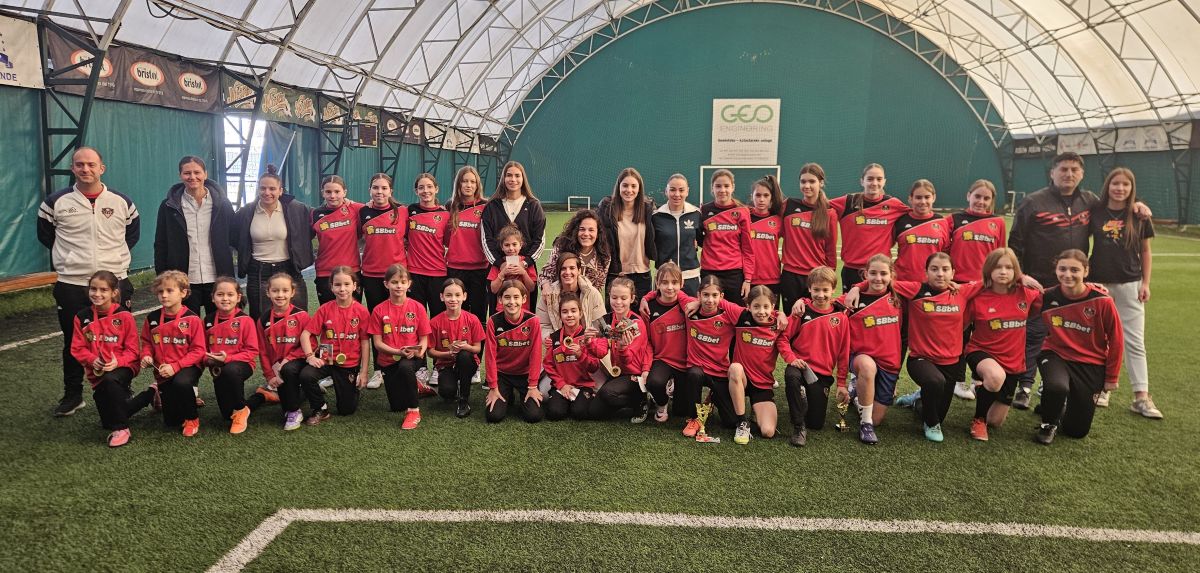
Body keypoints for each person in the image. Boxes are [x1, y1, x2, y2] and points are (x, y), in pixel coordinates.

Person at [1008, 152, 1149, 409]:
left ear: (1082, 174)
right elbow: (1015, 241)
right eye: (1063, 169)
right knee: (1034, 335)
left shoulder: (1090, 201)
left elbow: (1116, 205)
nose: (1069, 174)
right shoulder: (1033, 202)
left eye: (1074, 169)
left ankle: (1051, 385)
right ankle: (1024, 386)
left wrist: (1138, 204)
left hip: (1074, 285)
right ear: (1052, 172)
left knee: (1068, 337)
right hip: (1039, 283)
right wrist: (1020, 275)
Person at [38, 146, 139, 417]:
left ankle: (121, 388)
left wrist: (112, 261)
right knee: (73, 340)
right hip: (72, 283)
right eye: (80, 164)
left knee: (120, 340)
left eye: (91, 164)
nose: (86, 169)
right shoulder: (55, 202)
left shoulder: (122, 201)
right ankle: (73, 395)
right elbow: (46, 236)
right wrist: (72, 259)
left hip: (114, 282)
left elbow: (131, 235)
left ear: (101, 168)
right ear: (73, 168)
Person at [1088, 168, 1159, 418]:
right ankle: (1102, 388)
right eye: (1115, 184)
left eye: (1125, 185)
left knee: (1134, 341)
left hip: (1130, 284)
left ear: (1132, 188)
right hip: (1098, 284)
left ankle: (1141, 397)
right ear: (1107, 186)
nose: (1120, 188)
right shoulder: (1095, 211)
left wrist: (1145, 283)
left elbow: (1146, 251)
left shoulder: (1139, 215)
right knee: (1099, 340)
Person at [1035, 249, 1124, 444]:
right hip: (1055, 354)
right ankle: (1048, 423)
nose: (1068, 274)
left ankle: (1056, 406)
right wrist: (1022, 278)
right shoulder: (1046, 296)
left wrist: (1112, 377)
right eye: (1062, 269)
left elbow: (1116, 339)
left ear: (1086, 271)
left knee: (1076, 431)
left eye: (1074, 270)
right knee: (1057, 386)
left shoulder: (1102, 300)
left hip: (1091, 362)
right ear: (1056, 270)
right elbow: (1015, 297)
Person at [964, 248, 1041, 442]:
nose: (1003, 272)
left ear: (1016, 271)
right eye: (998, 267)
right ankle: (978, 420)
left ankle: (982, 390)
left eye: (1009, 267)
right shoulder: (978, 296)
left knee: (996, 421)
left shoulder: (1026, 294)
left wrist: (1026, 279)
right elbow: (960, 324)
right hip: (981, 352)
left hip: (1013, 362)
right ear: (989, 269)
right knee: (995, 377)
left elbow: (1053, 296)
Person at [69, 271, 153, 447]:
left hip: (125, 366)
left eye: (103, 290)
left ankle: (122, 430)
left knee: (110, 381)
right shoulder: (81, 317)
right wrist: (92, 359)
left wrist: (117, 362)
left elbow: (133, 351)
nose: (97, 294)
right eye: (93, 289)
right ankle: (151, 394)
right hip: (98, 372)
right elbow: (77, 348)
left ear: (114, 292)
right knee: (111, 418)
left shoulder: (124, 316)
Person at [946, 179, 1006, 400]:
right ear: (968, 196)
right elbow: (943, 252)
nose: (981, 201)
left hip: (985, 288)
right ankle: (958, 381)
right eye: (977, 196)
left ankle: (978, 378)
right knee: (959, 334)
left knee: (984, 334)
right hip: (959, 287)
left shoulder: (997, 223)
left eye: (986, 198)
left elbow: (1000, 256)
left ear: (992, 201)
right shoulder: (953, 220)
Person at [154, 155, 235, 317]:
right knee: (187, 325)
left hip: (217, 278)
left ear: (205, 174)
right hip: (184, 280)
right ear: (180, 175)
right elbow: (161, 243)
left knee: (219, 325)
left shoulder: (223, 204)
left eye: (197, 172)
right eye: (187, 173)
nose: (192, 177)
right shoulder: (168, 206)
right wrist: (163, 276)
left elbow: (234, 236)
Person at [780, 266, 850, 447]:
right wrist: (791, 359)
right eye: (816, 290)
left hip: (822, 374)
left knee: (816, 424)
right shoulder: (801, 312)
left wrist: (842, 383)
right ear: (809, 289)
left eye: (825, 290)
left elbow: (844, 352)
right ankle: (798, 426)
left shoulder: (841, 316)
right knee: (792, 376)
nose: (820, 295)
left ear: (833, 290)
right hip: (800, 366)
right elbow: (783, 338)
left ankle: (804, 398)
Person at [232, 164, 312, 320]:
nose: (267, 192)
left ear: (280, 191)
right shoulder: (246, 212)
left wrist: (346, 202)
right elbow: (235, 237)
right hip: (258, 271)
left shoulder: (297, 209)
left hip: (289, 269)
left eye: (272, 189)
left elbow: (314, 225)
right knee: (261, 319)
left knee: (298, 317)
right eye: (263, 188)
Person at [298, 266, 371, 425]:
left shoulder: (362, 312)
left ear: (354, 286)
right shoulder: (325, 309)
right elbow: (305, 335)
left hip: (349, 362)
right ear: (331, 287)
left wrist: (364, 372)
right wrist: (310, 356)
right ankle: (320, 408)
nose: (342, 289)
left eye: (346, 284)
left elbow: (365, 342)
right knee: (306, 375)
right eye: (337, 285)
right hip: (327, 356)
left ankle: (351, 388)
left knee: (346, 410)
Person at [140, 271, 206, 437]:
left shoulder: (192, 319)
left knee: (181, 382)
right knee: (172, 421)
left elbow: (199, 350)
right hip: (163, 370)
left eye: (169, 291)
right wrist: (146, 355)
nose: (164, 295)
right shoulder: (152, 318)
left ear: (183, 293)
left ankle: (192, 419)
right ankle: (161, 393)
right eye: (160, 291)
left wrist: (176, 366)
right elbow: (147, 342)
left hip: (188, 365)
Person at [829, 163, 909, 292]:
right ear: (862, 181)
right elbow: (820, 206)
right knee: (851, 305)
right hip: (852, 271)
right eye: (870, 179)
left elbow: (915, 216)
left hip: (880, 273)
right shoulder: (848, 202)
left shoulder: (893, 204)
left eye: (879, 179)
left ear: (884, 181)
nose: (874, 183)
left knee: (880, 305)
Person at [369, 264, 430, 430]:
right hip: (389, 359)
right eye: (394, 282)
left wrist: (419, 352)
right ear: (386, 284)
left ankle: (414, 411)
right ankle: (417, 386)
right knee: (396, 406)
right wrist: (398, 351)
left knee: (405, 367)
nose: (399, 286)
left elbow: (424, 339)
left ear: (409, 284)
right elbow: (377, 343)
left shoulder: (417, 307)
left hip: (411, 358)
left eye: (403, 282)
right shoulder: (378, 310)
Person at [247, 272, 310, 431]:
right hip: (277, 367)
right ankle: (305, 391)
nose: (280, 295)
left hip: (299, 361)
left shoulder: (301, 316)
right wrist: (269, 375)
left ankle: (295, 412)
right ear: (268, 293)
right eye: (275, 291)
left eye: (285, 290)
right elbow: (263, 350)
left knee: (287, 372)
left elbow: (312, 343)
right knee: (286, 401)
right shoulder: (263, 320)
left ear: (292, 292)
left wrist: (289, 358)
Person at [726, 286, 789, 444]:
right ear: (748, 306)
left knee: (768, 432)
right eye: (756, 306)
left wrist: (780, 314)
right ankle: (742, 422)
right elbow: (718, 301)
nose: (761, 311)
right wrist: (695, 302)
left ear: (773, 307)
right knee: (735, 368)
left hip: (762, 383)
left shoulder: (778, 325)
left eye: (766, 306)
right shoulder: (741, 316)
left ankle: (756, 409)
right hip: (742, 380)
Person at [481, 161, 546, 309]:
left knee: (525, 311)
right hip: (499, 268)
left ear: (523, 179)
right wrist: (500, 264)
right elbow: (486, 240)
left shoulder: (533, 205)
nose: (513, 179)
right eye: (509, 175)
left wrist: (525, 263)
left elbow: (540, 240)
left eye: (517, 175)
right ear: (503, 178)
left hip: (525, 268)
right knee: (498, 311)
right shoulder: (492, 206)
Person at [203, 277, 259, 434]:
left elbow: (252, 351)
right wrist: (207, 360)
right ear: (213, 298)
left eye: (230, 294)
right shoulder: (207, 321)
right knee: (227, 415)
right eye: (220, 294)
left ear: (238, 297)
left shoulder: (245, 320)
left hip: (242, 365)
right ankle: (260, 397)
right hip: (218, 370)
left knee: (230, 370)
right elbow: (202, 349)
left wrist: (227, 359)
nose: (225, 298)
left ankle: (240, 410)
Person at [590, 277, 651, 421]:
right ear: (609, 296)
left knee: (607, 394)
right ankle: (626, 401)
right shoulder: (606, 320)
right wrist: (589, 342)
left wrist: (622, 347)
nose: (618, 302)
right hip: (616, 372)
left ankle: (640, 400)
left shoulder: (636, 323)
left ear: (632, 299)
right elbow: (601, 352)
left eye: (623, 298)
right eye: (614, 297)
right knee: (593, 412)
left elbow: (628, 361)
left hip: (634, 374)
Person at [483, 280, 544, 423]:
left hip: (524, 375)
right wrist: (493, 387)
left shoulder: (533, 321)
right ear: (500, 299)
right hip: (503, 374)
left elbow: (536, 354)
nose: (512, 302)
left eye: (516, 297)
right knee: (493, 416)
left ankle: (519, 394)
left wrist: (533, 386)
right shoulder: (493, 321)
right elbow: (490, 356)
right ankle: (507, 393)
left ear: (524, 299)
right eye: (507, 297)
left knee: (534, 416)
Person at [779, 164, 838, 312]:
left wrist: (829, 278)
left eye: (812, 181)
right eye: (803, 181)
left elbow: (830, 249)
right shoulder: (788, 205)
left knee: (813, 319)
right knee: (791, 318)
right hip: (791, 276)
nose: (807, 185)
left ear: (821, 183)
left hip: (816, 277)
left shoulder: (829, 213)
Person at [542, 293, 606, 421]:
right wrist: (561, 384)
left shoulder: (587, 337)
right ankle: (565, 400)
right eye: (565, 312)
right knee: (555, 413)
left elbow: (594, 367)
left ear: (580, 313)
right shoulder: (554, 338)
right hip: (562, 385)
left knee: (579, 413)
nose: (569, 315)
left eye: (573, 311)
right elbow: (548, 365)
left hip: (583, 385)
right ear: (560, 315)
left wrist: (580, 355)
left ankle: (586, 398)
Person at [641, 263, 691, 423]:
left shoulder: (687, 305)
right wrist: (646, 368)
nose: (670, 287)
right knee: (654, 383)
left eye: (674, 282)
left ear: (682, 284)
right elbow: (647, 341)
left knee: (681, 412)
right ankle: (661, 403)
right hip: (662, 359)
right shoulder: (648, 308)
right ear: (657, 283)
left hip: (684, 362)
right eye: (664, 282)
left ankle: (673, 386)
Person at [427, 278, 485, 418]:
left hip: (468, 363)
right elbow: (430, 352)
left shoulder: (472, 319)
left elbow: (477, 349)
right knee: (447, 392)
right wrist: (449, 353)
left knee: (464, 355)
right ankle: (453, 386)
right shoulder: (434, 322)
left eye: (457, 295)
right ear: (442, 297)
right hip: (446, 365)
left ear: (464, 296)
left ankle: (464, 400)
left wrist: (466, 347)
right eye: (448, 295)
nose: (453, 299)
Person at [596, 168, 656, 298]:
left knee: (642, 311)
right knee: (615, 311)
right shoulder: (606, 209)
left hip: (642, 275)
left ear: (639, 189)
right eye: (625, 185)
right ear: (619, 187)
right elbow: (592, 229)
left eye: (633, 186)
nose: (629, 190)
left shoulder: (648, 210)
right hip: (616, 275)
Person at [698, 169, 754, 305]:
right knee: (711, 312)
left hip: (734, 274)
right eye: (718, 186)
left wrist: (747, 279)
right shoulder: (704, 210)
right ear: (712, 188)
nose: (722, 190)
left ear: (733, 187)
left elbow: (748, 248)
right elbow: (700, 240)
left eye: (726, 186)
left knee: (735, 312)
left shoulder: (742, 211)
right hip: (709, 272)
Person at [445, 166, 490, 332]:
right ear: (458, 184)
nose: (468, 185)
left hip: (480, 269)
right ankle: (456, 347)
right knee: (456, 314)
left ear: (477, 185)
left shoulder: (486, 206)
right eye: (464, 181)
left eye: (472, 181)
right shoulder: (450, 206)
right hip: (455, 269)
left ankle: (477, 348)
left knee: (478, 316)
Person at [358, 173, 408, 311]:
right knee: (376, 314)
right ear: (370, 190)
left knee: (398, 313)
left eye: (384, 188)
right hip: (371, 273)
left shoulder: (403, 211)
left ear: (390, 191)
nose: (379, 191)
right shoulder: (362, 211)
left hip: (397, 272)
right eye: (375, 188)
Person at [311, 175, 363, 305]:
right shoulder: (315, 214)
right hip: (325, 271)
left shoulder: (356, 209)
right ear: (322, 193)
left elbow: (377, 209)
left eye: (337, 191)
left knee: (353, 314)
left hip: (351, 270)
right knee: (328, 313)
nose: (332, 196)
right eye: (328, 192)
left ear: (344, 192)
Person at [406, 173, 450, 318]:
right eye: (421, 187)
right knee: (415, 317)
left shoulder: (445, 215)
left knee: (438, 317)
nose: (426, 191)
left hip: (437, 273)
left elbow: (449, 242)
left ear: (436, 189)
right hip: (414, 273)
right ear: (416, 191)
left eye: (429, 187)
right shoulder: (409, 211)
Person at [651, 174, 702, 296]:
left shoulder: (696, 214)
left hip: (690, 277)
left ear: (687, 191)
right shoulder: (656, 216)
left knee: (691, 308)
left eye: (681, 190)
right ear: (666, 191)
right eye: (672, 190)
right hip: (664, 279)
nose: (677, 194)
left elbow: (702, 241)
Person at [535, 251, 605, 339]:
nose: (567, 272)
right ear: (559, 272)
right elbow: (543, 324)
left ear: (579, 271)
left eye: (572, 268)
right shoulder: (549, 295)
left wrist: (587, 339)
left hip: (586, 342)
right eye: (563, 269)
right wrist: (550, 338)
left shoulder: (592, 293)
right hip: (559, 342)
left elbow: (600, 324)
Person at [540, 209, 610, 293]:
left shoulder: (604, 257)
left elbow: (597, 288)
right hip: (559, 296)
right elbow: (545, 275)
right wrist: (546, 289)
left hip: (586, 298)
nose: (586, 234)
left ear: (598, 233)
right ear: (576, 231)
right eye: (582, 229)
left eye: (591, 230)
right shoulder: (561, 248)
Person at [893, 180, 949, 283]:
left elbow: (946, 253)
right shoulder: (900, 221)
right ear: (910, 199)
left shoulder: (942, 222)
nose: (923, 202)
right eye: (918, 197)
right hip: (903, 282)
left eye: (927, 197)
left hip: (933, 283)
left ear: (933, 198)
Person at [488, 224, 538, 312]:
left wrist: (523, 273)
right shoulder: (499, 265)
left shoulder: (527, 264)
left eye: (514, 244)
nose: (511, 248)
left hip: (523, 309)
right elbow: (493, 289)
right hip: (502, 309)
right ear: (502, 247)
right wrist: (502, 273)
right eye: (507, 245)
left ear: (520, 245)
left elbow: (531, 288)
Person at [747, 176, 784, 293]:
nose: (761, 199)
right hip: (748, 278)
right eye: (758, 195)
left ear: (771, 198)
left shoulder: (778, 220)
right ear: (752, 196)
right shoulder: (744, 218)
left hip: (772, 277)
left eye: (766, 195)